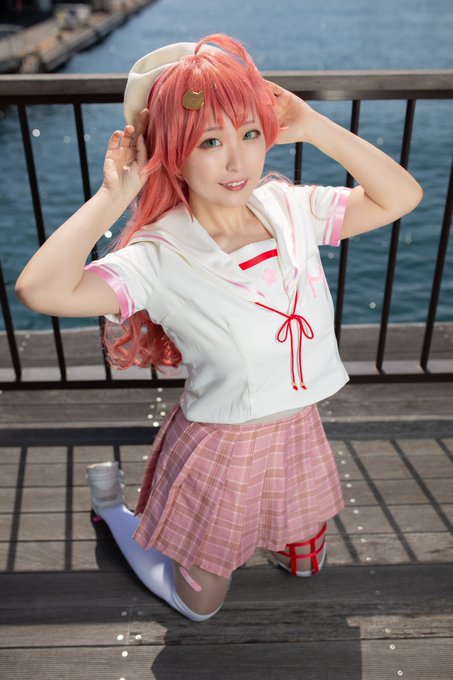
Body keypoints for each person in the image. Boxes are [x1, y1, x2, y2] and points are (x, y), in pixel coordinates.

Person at [15, 33, 423, 622]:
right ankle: (115, 513)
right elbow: (40, 290)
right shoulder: (158, 254)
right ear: (171, 153)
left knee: (307, 563)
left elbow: (401, 196)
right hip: (222, 447)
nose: (239, 162)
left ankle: (270, 537)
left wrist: (314, 126)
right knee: (201, 603)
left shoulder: (288, 207)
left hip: (296, 429)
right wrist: (112, 196)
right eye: (210, 141)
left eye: (250, 134)